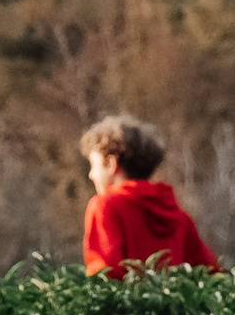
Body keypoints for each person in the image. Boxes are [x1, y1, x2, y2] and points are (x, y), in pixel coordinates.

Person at [80, 114, 219, 278]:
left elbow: (105, 275)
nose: (91, 175)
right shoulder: (180, 218)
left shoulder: (105, 206)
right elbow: (211, 274)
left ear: (111, 164)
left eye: (93, 166)